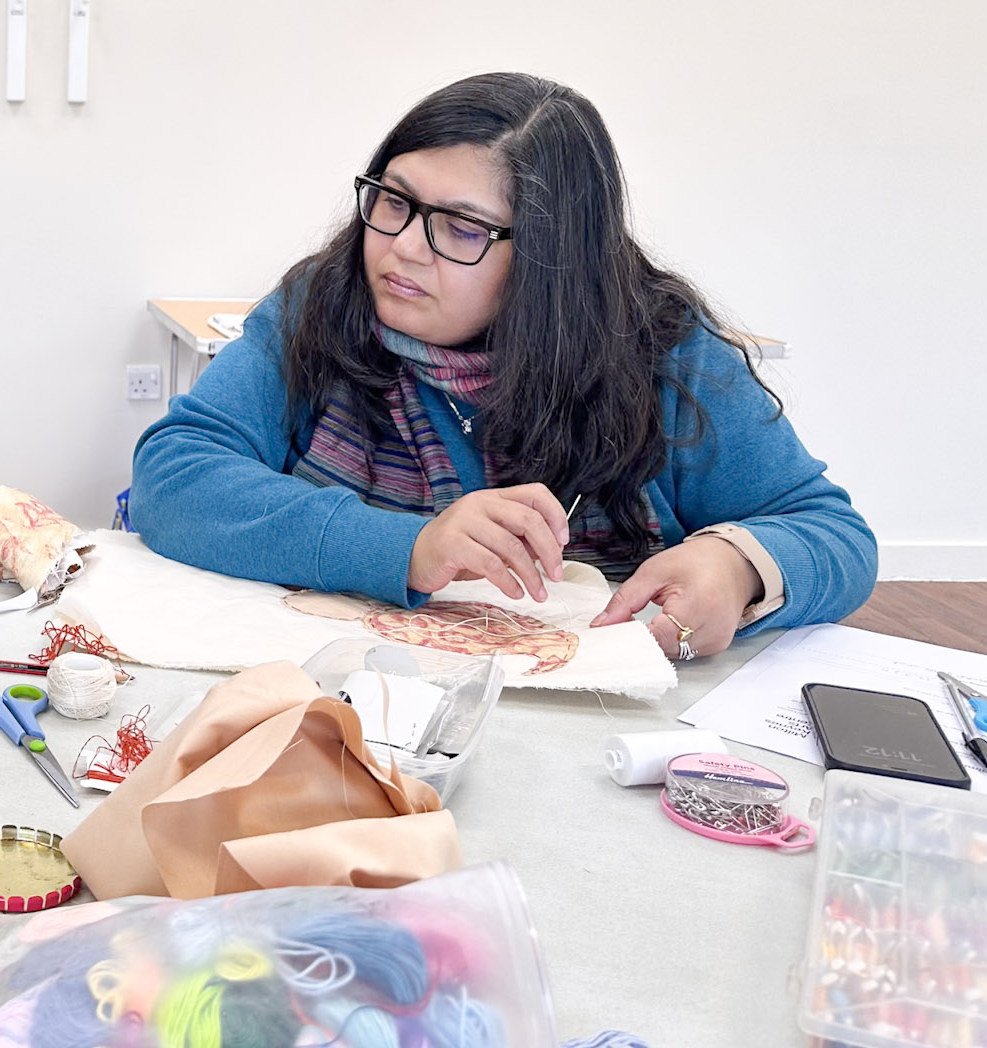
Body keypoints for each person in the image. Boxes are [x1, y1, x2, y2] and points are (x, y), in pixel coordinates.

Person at [130, 73, 875, 659]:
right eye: (393, 201)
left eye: (461, 227)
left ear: (551, 258)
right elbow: (175, 476)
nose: (403, 247)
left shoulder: (663, 349)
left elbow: (833, 535)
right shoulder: (321, 304)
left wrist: (739, 567)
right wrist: (408, 547)